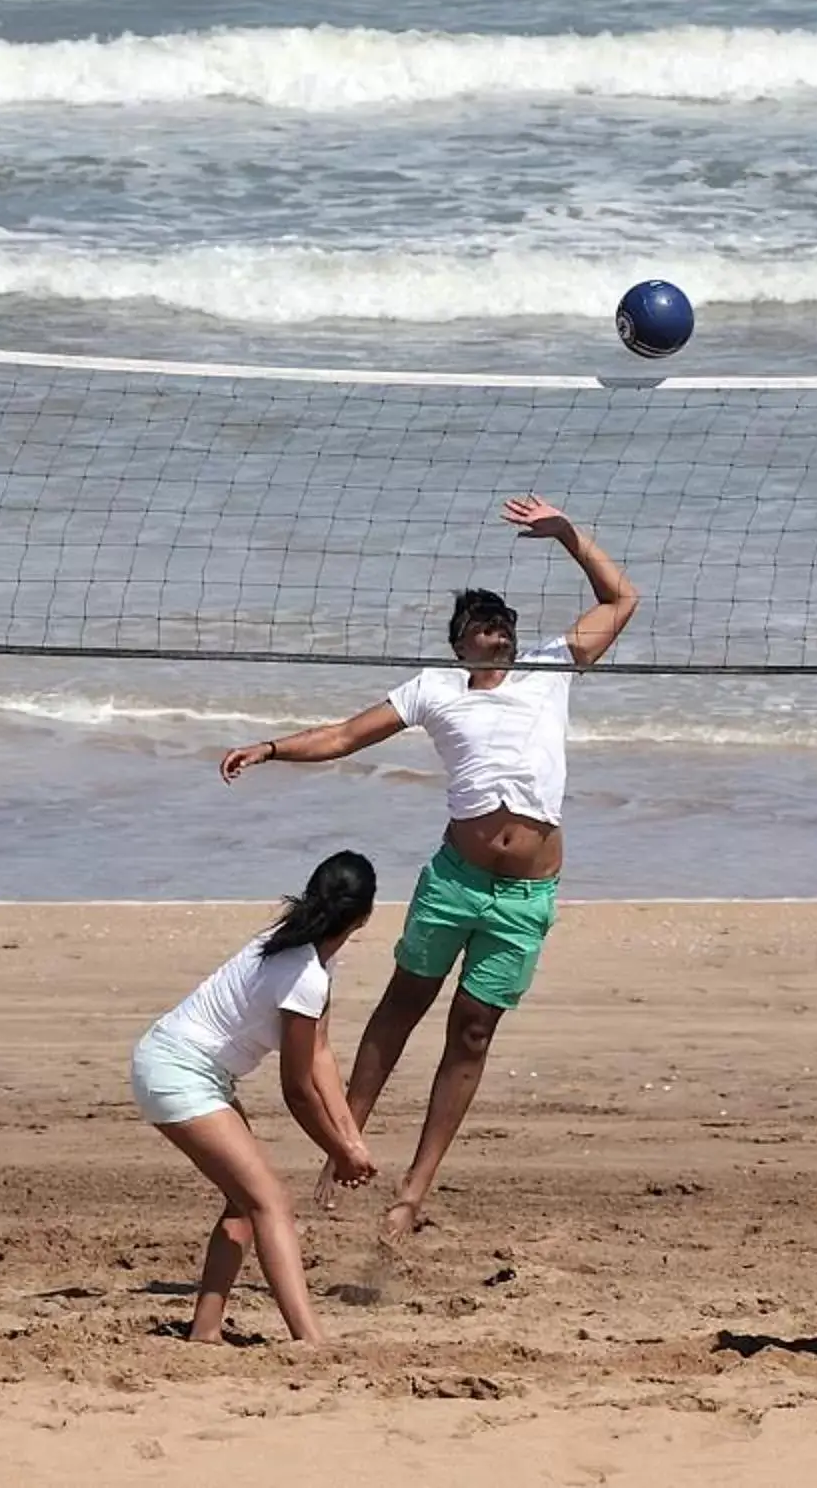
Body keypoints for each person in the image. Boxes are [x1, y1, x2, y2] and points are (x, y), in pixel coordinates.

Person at [218, 495, 636, 1241]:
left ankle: (414, 1189)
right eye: (481, 626)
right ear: (460, 646)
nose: (496, 630)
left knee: (472, 1032)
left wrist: (568, 533)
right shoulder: (432, 689)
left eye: (501, 621)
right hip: (454, 880)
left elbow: (621, 598)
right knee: (401, 1007)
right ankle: (342, 1148)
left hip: (527, 891)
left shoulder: (550, 665)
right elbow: (345, 735)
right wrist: (272, 747)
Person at [130, 850, 381, 1344]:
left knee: (244, 1205)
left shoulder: (302, 950)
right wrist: (335, 1150)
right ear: (365, 916)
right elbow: (297, 1092)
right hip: (178, 1072)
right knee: (271, 1203)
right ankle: (310, 1340)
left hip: (184, 1068)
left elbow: (321, 1056)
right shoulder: (304, 972)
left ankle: (204, 1332)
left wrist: (352, 1142)